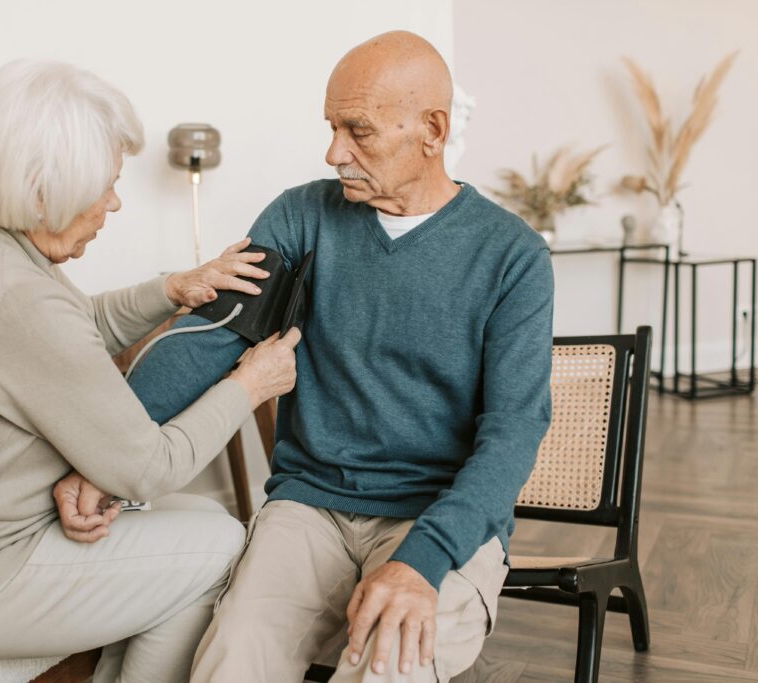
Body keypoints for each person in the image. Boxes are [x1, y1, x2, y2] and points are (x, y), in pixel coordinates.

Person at [0, 60, 300, 683]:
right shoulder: (12, 296)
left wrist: (173, 288)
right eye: (105, 185)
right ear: (41, 191)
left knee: (201, 523)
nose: (114, 203)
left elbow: (72, 326)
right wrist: (250, 384)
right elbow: (148, 468)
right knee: (221, 546)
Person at [126, 31, 555, 682]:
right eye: (331, 127)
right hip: (310, 506)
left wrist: (425, 558)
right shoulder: (301, 217)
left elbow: (513, 432)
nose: (334, 152)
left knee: (386, 665)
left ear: (432, 130)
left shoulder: (513, 257)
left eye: (358, 130)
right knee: (230, 660)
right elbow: (212, 340)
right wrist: (107, 453)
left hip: (434, 510)